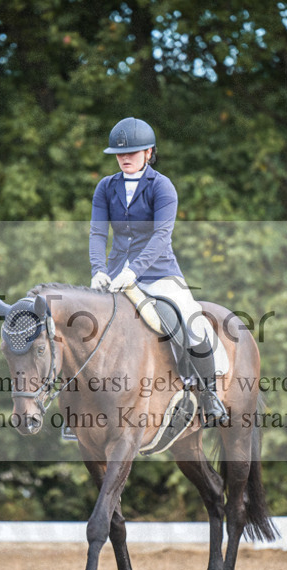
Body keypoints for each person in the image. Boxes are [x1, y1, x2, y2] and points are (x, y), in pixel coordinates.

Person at [89, 116, 229, 424]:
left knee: (192, 323)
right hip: (114, 277)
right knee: (84, 330)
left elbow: (161, 236)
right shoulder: (105, 187)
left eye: (132, 153)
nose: (124, 158)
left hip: (158, 274)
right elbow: (98, 233)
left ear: (149, 153)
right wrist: (98, 269)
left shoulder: (162, 187)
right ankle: (85, 411)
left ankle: (210, 395)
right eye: (119, 153)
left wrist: (134, 271)